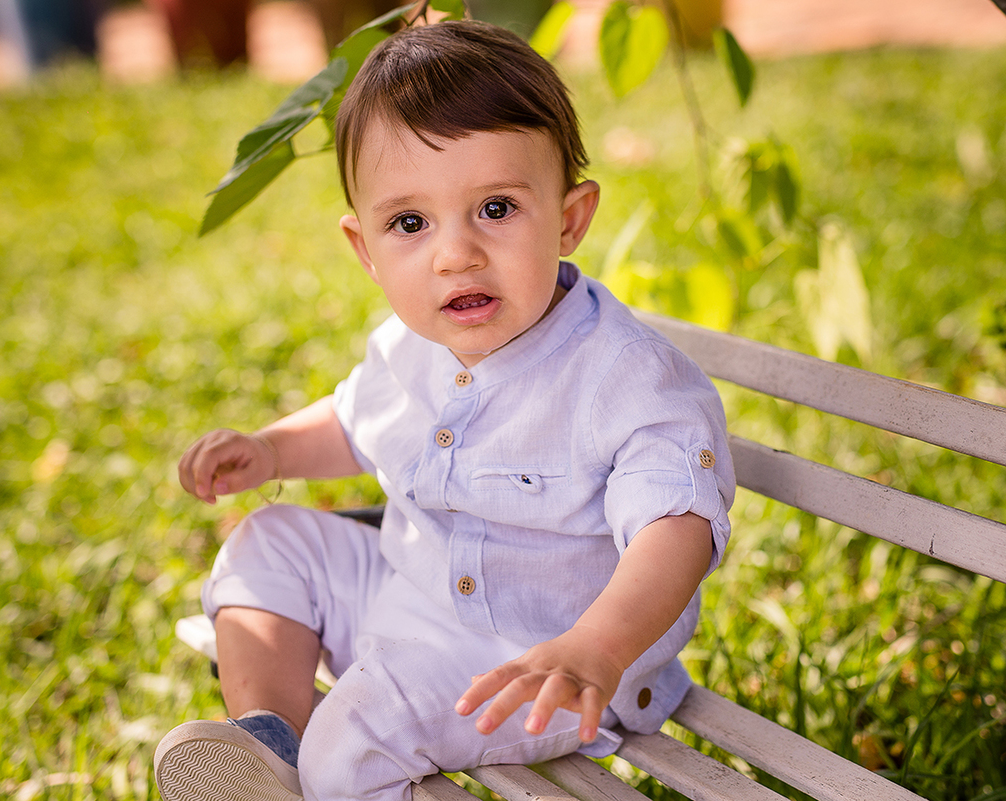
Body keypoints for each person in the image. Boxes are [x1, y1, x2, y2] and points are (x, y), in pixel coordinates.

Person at [154, 19, 735, 801]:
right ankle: (269, 745)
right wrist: (271, 451)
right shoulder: (409, 346)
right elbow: (354, 421)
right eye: (410, 223)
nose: (454, 253)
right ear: (366, 249)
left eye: (495, 209)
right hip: (409, 594)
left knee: (351, 746)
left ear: (568, 219)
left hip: (538, 665)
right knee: (270, 541)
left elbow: (679, 528)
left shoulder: (623, 381)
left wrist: (595, 645)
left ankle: (315, 772)